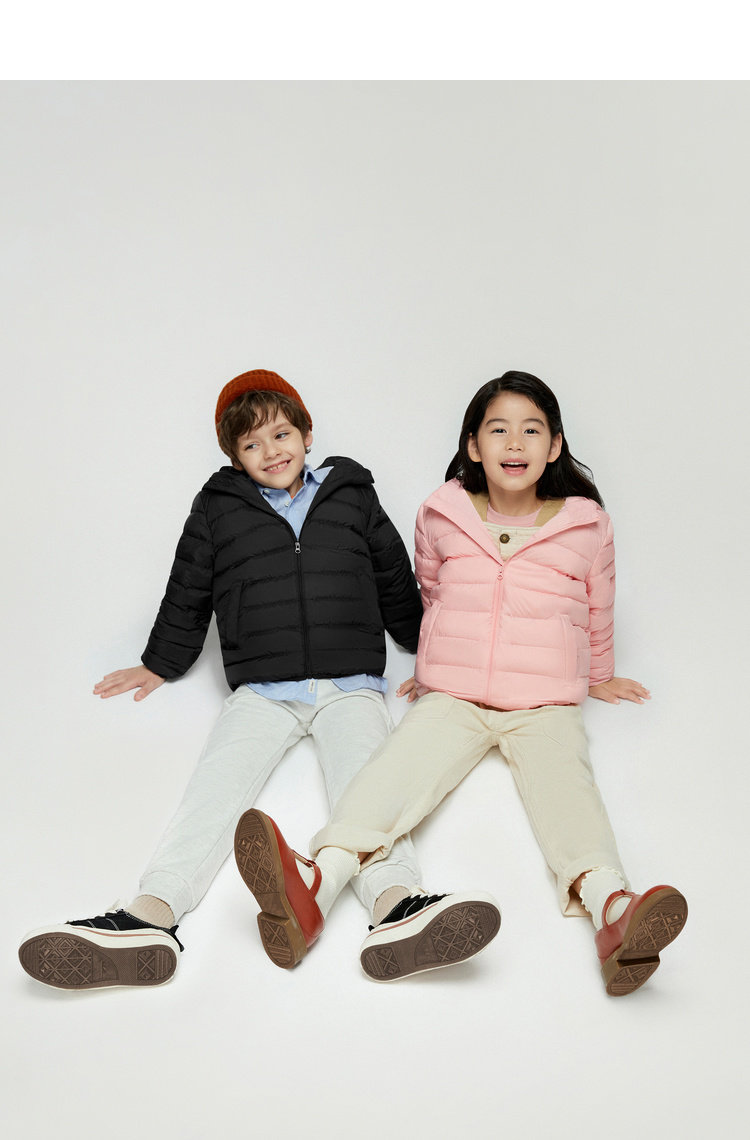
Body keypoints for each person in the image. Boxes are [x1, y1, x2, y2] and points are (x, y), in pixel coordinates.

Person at [18, 368, 486, 991]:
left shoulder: (351, 493)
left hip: (350, 684)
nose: (271, 451)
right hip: (262, 690)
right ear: (235, 457)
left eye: (281, 434)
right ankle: (149, 917)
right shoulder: (218, 508)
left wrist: (430, 658)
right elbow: (188, 587)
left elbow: (395, 577)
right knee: (211, 795)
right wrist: (161, 662)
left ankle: (398, 906)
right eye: (252, 444)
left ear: (307, 433)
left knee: (369, 794)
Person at [235, 371, 688, 995]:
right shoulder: (442, 512)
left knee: (570, 792)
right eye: (498, 429)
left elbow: (598, 605)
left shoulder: (586, 525)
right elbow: (433, 592)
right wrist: (430, 664)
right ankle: (316, 883)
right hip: (453, 693)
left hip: (545, 700)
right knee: (392, 775)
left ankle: (614, 910)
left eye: (531, 430)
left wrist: (602, 676)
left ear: (555, 445)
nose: (515, 442)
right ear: (473, 445)